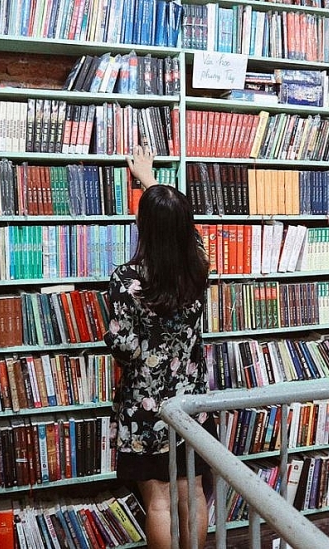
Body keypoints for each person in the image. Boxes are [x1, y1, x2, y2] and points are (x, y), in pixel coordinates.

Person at [104, 145, 213, 549]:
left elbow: (122, 345)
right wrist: (150, 181)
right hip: (192, 405)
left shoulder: (127, 279)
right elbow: (187, 230)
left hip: (145, 406)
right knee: (193, 494)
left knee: (161, 503)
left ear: (143, 226)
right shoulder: (198, 271)